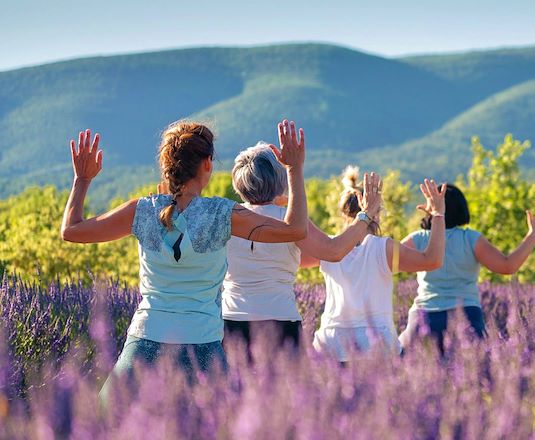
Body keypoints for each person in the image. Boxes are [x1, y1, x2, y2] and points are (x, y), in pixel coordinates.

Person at [61, 120, 318, 394]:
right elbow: (295, 229)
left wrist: (82, 179)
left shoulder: (142, 210)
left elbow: (71, 230)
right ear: (207, 164)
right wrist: (294, 169)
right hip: (203, 349)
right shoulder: (223, 214)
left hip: (144, 341)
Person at [221, 144, 382, 353]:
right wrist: (366, 215)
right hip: (281, 323)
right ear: (279, 181)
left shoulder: (227, 218)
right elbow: (334, 251)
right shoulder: (290, 221)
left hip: (231, 322)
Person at [308, 169, 447, 362]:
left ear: (344, 214)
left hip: (330, 346)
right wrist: (438, 215)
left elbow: (288, 262)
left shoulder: (327, 247)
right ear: (377, 211)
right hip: (377, 346)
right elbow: (433, 260)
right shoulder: (383, 248)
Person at [398, 186, 535, 354]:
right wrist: (534, 234)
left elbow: (386, 263)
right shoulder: (470, 238)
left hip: (424, 318)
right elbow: (508, 266)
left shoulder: (418, 238)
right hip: (467, 317)